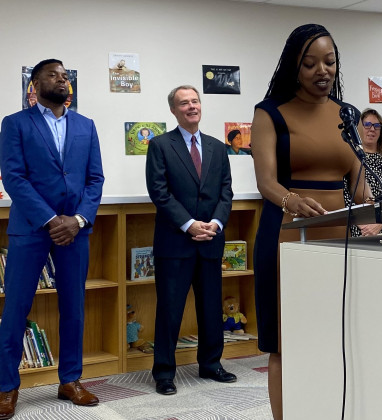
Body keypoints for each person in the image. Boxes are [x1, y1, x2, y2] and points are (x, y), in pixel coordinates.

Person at [250, 23, 371, 420]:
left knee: (335, 336)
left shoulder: (347, 114)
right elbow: (266, 181)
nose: (323, 71)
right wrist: (292, 199)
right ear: (294, 67)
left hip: (338, 235)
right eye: (311, 64)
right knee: (285, 340)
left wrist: (373, 209)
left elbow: (357, 180)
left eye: (330, 61)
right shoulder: (270, 112)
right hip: (286, 234)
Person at [0, 59, 104, 420]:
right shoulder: (15, 123)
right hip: (31, 228)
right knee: (16, 309)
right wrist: (50, 219)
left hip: (76, 229)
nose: (62, 79)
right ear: (35, 84)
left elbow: (95, 179)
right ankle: (8, 389)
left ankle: (70, 380)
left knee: (73, 307)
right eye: (53, 75)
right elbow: (14, 178)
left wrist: (78, 219)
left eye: (65, 75)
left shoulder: (86, 126)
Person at [145, 85, 236, 396]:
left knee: (211, 307)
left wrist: (215, 223)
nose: (191, 107)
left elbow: (226, 192)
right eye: (184, 103)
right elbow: (159, 192)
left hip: (211, 239)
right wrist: (189, 224)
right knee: (170, 309)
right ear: (174, 110)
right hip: (175, 243)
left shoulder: (216, 147)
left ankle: (211, 364)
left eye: (195, 101)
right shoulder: (159, 145)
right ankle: (164, 373)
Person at [343, 108, 382, 236]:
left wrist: (381, 222)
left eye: (376, 126)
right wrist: (364, 225)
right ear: (358, 129)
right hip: (359, 227)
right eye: (367, 125)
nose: (372, 129)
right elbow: (346, 196)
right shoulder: (350, 156)